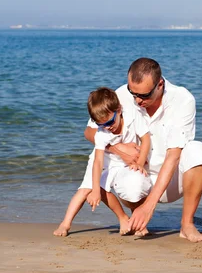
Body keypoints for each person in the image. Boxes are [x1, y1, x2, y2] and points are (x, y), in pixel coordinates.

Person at [84, 58, 202, 242]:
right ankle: (137, 217)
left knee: (198, 151)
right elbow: (89, 131)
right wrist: (117, 148)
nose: (137, 100)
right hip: (138, 175)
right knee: (130, 184)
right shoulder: (121, 96)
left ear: (160, 85)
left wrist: (150, 206)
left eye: (143, 96)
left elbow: (174, 156)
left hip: (172, 180)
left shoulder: (183, 99)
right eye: (132, 93)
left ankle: (187, 224)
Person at [53, 87, 151, 237]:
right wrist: (96, 190)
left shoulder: (132, 116)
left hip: (123, 162)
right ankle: (66, 224)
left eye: (110, 122)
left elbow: (146, 139)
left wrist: (140, 162)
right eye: (102, 125)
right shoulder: (102, 133)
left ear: (118, 109)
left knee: (133, 182)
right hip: (105, 159)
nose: (108, 127)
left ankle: (137, 224)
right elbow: (98, 161)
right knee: (87, 189)